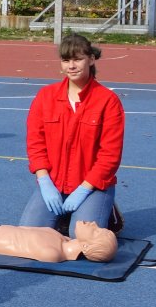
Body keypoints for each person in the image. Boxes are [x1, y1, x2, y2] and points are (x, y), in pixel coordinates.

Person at [18, 33, 124, 237]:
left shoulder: (108, 101)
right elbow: (35, 143)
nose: (71, 66)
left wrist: (84, 189)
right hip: (55, 183)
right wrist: (45, 182)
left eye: (78, 59)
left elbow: (109, 156)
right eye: (66, 60)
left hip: (92, 186)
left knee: (82, 241)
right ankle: (66, 215)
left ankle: (106, 210)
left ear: (91, 59)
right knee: (29, 237)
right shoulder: (45, 97)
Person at [0, 220, 118, 263]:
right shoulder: (61, 239)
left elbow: (5, 247)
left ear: (85, 246)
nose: (94, 223)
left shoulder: (52, 253)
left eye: (95, 231)